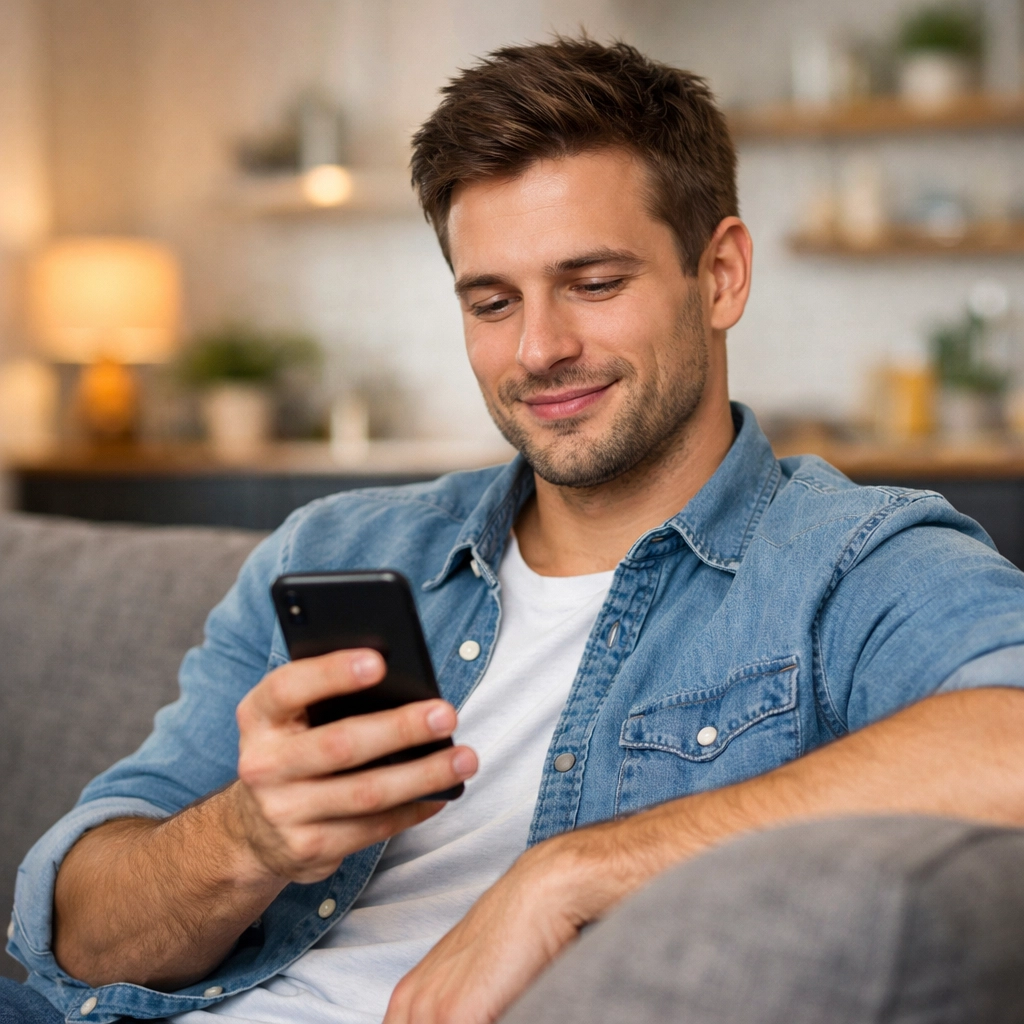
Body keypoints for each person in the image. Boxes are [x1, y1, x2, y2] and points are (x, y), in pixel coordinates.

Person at [7, 36, 1024, 1024]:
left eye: (593, 283)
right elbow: (76, 942)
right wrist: (248, 837)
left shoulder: (847, 560)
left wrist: (571, 873)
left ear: (719, 276)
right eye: (492, 301)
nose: (539, 349)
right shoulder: (330, 551)